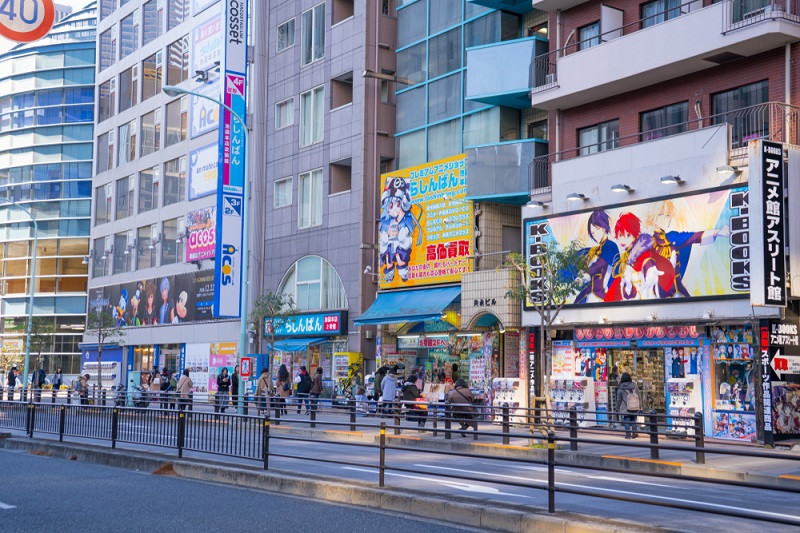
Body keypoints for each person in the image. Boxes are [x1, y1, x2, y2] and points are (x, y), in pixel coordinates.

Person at [615, 372, 640, 439]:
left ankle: (628, 434)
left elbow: (619, 399)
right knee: (633, 420)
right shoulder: (634, 386)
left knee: (627, 420)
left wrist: (617, 407)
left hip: (625, 407)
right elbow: (638, 396)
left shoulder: (621, 387)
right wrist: (640, 405)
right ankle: (635, 432)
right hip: (634, 406)